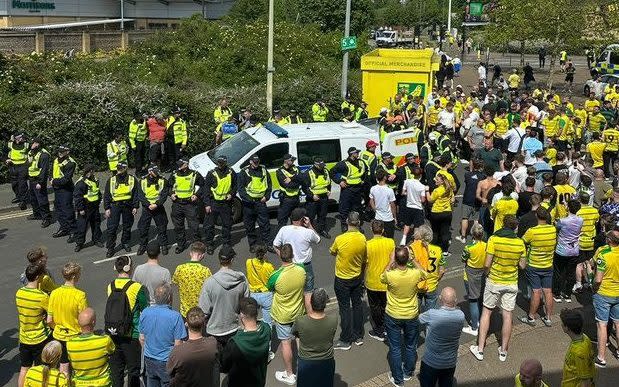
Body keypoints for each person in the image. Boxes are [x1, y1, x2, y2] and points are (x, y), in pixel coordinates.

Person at [470, 215, 526, 362]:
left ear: (502, 225)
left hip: (494, 280)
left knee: (486, 313)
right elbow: (522, 265)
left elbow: (487, 264)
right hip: (511, 282)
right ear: (515, 227)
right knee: (507, 316)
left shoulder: (494, 239)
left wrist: (487, 275)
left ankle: (480, 349)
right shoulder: (520, 243)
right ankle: (503, 351)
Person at [381, 246, 427, 387]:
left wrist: (390, 261)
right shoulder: (414, 274)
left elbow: (382, 276)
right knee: (410, 345)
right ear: (407, 259)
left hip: (393, 314)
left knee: (394, 349)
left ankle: (398, 379)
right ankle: (408, 372)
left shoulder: (391, 275)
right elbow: (425, 274)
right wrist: (414, 260)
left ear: (396, 258)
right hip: (411, 314)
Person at [106, 255, 148, 387]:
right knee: (133, 370)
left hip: (113, 333)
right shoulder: (137, 287)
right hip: (132, 335)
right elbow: (144, 309)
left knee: (116, 371)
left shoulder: (110, 286)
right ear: (129, 268)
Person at [267, 244, 306, 385]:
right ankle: (305, 368)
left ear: (280, 255)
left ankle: (289, 374)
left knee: (286, 343)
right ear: (292, 255)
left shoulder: (275, 276)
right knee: (300, 339)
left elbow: (270, 287)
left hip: (283, 315)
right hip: (299, 311)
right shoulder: (301, 269)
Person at [198, 245, 249, 348]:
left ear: (219, 259)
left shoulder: (209, 282)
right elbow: (246, 304)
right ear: (232, 259)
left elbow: (204, 310)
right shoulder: (241, 280)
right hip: (234, 328)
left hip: (214, 331)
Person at [330, 211, 367, 350]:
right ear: (359, 223)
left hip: (342, 279)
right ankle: (358, 336)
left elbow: (332, 251)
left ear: (347, 221)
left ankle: (345, 339)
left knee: (345, 309)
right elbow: (364, 259)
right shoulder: (363, 238)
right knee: (357, 305)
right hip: (357, 277)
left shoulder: (340, 239)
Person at [273, 207, 320, 311]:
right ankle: (309, 314)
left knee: (293, 291)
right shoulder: (308, 232)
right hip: (305, 266)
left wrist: (283, 256)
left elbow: (275, 245)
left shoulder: (283, 229)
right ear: (303, 219)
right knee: (308, 291)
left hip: (289, 265)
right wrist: (310, 225)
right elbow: (318, 240)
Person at [139, 284, 187, 387]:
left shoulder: (145, 313)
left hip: (149, 359)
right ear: (169, 297)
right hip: (167, 361)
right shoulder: (175, 316)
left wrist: (150, 351)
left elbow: (142, 338)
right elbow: (178, 344)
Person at [418, 287, 465, 387]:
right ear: (455, 300)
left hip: (430, 362)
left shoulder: (432, 314)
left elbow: (417, 319)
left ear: (440, 298)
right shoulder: (460, 316)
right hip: (450, 362)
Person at [47, 262, 88, 376]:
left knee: (63, 366)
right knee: (78, 367)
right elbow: (85, 320)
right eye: (79, 273)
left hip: (59, 336)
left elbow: (49, 320)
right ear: (74, 276)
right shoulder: (80, 295)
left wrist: (58, 328)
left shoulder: (54, 293)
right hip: (75, 337)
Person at [220, 297, 271, 387]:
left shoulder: (235, 342)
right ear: (257, 312)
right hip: (259, 382)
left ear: (242, 315)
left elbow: (224, 367)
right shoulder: (266, 329)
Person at [293, 288, 338, 387]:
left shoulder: (300, 321)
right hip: (327, 360)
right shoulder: (334, 320)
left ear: (310, 302)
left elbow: (296, 334)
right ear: (325, 304)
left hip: (306, 361)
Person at [16, 263, 52, 387]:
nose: (44, 277)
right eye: (42, 274)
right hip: (39, 338)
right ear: (37, 277)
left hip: (24, 338)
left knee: (24, 369)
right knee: (40, 370)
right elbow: (51, 316)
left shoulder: (19, 293)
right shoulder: (42, 297)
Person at [520, 207, 557, 327]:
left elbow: (523, 241)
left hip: (534, 264)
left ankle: (531, 317)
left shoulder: (532, 231)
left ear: (537, 216)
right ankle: (548, 317)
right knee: (548, 291)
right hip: (548, 264)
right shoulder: (552, 229)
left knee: (536, 291)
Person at [166, 307, 219, 387]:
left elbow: (169, 371)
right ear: (204, 323)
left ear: (186, 324)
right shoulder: (212, 343)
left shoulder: (178, 351)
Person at [66, 307, 115, 386]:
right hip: (102, 384)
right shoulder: (105, 341)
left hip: (79, 384)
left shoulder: (70, 344)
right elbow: (112, 351)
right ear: (93, 322)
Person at [592, 229, 619, 367]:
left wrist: (594, 288)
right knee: (618, 323)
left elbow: (597, 279)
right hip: (618, 293)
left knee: (602, 324)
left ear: (609, 240)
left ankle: (601, 357)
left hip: (603, 293)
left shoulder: (603, 254)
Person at [364, 220, 395, 341]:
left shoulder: (368, 244)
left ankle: (379, 330)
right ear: (382, 230)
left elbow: (365, 263)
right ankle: (388, 328)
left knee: (375, 307)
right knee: (386, 305)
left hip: (372, 281)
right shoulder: (390, 242)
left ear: (372, 230)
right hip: (387, 280)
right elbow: (393, 260)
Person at [245, 244, 275, 358]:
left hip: (253, 294)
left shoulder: (249, 262)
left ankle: (252, 346)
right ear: (265, 254)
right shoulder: (269, 266)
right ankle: (267, 351)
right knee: (268, 324)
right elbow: (272, 281)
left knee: (252, 321)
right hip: (266, 295)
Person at [104, 161, 139, 258]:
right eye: (118, 168)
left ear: (126, 168)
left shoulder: (132, 180)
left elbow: (136, 194)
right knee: (112, 228)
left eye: (121, 168)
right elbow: (106, 195)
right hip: (114, 205)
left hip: (128, 205)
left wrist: (135, 206)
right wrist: (107, 208)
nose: (118, 170)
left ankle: (125, 242)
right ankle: (110, 248)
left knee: (127, 226)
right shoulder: (111, 180)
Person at [203, 155, 237, 254]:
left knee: (227, 225)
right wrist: (207, 204)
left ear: (225, 163)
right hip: (213, 203)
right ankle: (209, 244)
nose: (220, 164)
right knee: (209, 225)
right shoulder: (211, 173)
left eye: (222, 163)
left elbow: (235, 186)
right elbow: (206, 189)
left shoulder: (231, 172)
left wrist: (231, 194)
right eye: (219, 162)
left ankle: (226, 243)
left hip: (226, 203)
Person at [238, 154, 273, 252]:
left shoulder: (264, 170)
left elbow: (269, 185)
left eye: (257, 162)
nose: (256, 164)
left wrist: (266, 196)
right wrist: (249, 199)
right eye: (254, 162)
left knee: (265, 224)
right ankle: (252, 245)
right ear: (250, 162)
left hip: (261, 203)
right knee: (250, 225)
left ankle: (268, 244)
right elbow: (241, 189)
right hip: (249, 204)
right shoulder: (244, 172)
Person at [169, 158, 203, 254]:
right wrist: (171, 193)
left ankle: (197, 247)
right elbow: (168, 186)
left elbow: (203, 185)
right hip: (177, 204)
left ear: (186, 164)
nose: (179, 166)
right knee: (178, 226)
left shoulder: (194, 174)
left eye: (181, 164)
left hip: (190, 204)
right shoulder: (174, 174)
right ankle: (181, 245)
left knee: (194, 226)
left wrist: (196, 195)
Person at [331, 147, 368, 232]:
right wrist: (339, 181)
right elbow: (332, 172)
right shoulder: (343, 164)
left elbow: (366, 171)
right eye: (356, 153)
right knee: (345, 208)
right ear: (352, 154)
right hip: (347, 189)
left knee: (357, 208)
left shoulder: (361, 162)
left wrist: (363, 180)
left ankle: (356, 225)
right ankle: (344, 225)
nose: (358, 154)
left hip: (358, 189)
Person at [553, 200, 583, 303]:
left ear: (569, 208)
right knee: (570, 273)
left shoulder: (563, 221)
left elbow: (557, 228)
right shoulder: (580, 220)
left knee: (558, 272)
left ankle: (556, 293)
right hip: (574, 250)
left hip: (562, 250)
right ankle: (567, 294)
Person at [172, 241, 212, 318]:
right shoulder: (206, 271)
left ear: (190, 253)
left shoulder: (180, 268)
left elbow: (175, 282)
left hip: (185, 311)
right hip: (200, 311)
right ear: (202, 255)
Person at [137, 164, 170, 256]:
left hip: (158, 207)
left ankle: (163, 245)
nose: (157, 173)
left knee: (162, 226)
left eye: (157, 172)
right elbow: (140, 195)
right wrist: (148, 205)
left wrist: (157, 204)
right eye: (155, 172)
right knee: (143, 227)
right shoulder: (142, 181)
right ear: (149, 172)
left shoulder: (163, 181)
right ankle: (143, 245)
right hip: (147, 208)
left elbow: (164, 194)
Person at [559, 309, 596, 386]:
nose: (561, 325)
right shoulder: (585, 338)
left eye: (562, 323)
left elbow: (585, 381)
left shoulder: (579, 352)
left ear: (567, 328)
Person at [461, 224, 486, 336]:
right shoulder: (486, 246)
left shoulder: (469, 247)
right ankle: (480, 321)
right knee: (480, 298)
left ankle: (474, 327)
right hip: (482, 273)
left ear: (472, 234)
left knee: (472, 300)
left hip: (470, 274)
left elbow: (463, 259)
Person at [73, 164, 103, 252]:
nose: (94, 172)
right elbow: (77, 197)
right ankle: (79, 243)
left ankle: (96, 239)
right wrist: (80, 209)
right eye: (93, 170)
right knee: (82, 227)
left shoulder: (95, 179)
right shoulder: (81, 182)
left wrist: (99, 200)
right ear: (90, 171)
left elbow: (97, 191)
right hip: (85, 207)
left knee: (96, 224)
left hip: (94, 206)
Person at [574, 192, 599, 292]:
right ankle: (590, 283)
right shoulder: (594, 211)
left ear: (580, 200)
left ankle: (578, 284)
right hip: (591, 241)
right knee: (589, 263)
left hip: (580, 241)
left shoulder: (578, 211)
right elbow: (596, 222)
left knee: (579, 264)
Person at [301, 156, 332, 238]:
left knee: (322, 215)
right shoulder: (308, 173)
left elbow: (329, 182)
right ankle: (308, 233)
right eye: (321, 165)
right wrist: (312, 196)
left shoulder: (326, 171)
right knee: (310, 216)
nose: (323, 167)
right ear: (316, 165)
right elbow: (305, 187)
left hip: (324, 197)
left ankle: (321, 230)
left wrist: (328, 190)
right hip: (313, 199)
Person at [426, 172, 454, 255]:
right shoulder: (449, 189)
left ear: (442, 181)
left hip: (436, 213)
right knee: (445, 231)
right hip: (447, 213)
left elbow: (430, 200)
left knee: (435, 232)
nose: (435, 180)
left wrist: (427, 191)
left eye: (437, 179)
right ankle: (445, 251)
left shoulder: (437, 190)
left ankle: (433, 249)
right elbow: (452, 200)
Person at [27, 138, 52, 228]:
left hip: (38, 180)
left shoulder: (44, 155)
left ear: (37, 144)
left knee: (42, 200)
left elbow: (44, 170)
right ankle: (36, 214)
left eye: (33, 143)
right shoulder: (32, 152)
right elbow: (29, 164)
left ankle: (47, 218)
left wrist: (40, 183)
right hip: (31, 179)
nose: (31, 145)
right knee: (33, 199)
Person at [400, 165, 427, 245]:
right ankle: (415, 242)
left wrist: (409, 194)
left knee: (407, 224)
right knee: (417, 226)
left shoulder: (407, 181)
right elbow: (422, 200)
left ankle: (403, 239)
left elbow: (403, 192)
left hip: (408, 206)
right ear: (420, 175)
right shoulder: (422, 186)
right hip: (418, 208)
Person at [276, 154, 302, 229]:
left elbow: (302, 179)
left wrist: (292, 178)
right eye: (291, 160)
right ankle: (282, 238)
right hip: (286, 200)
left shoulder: (296, 168)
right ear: (286, 161)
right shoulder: (280, 171)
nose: (293, 161)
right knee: (282, 221)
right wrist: (296, 180)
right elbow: (288, 185)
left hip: (296, 198)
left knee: (296, 220)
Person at [370, 169, 397, 238]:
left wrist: (375, 210)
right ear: (385, 177)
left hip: (378, 218)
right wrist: (395, 217)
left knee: (378, 237)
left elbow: (371, 201)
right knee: (389, 238)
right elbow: (392, 205)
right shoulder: (389, 190)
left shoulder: (373, 188)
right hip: (388, 219)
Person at [6, 132, 29, 210]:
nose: (24, 139)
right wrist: (6, 160)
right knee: (14, 184)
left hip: (23, 166)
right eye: (22, 137)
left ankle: (23, 201)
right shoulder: (10, 144)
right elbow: (3, 154)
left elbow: (32, 154)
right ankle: (18, 196)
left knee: (22, 184)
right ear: (17, 138)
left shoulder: (26, 144)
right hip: (12, 166)